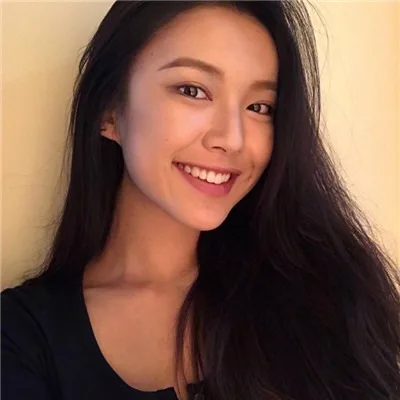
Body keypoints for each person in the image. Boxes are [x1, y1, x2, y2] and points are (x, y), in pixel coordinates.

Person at [2, 1, 399, 400]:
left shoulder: (328, 300)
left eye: (259, 107)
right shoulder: (21, 337)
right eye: (193, 90)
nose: (233, 139)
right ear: (109, 110)